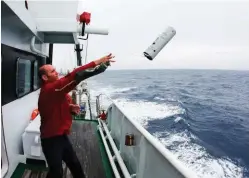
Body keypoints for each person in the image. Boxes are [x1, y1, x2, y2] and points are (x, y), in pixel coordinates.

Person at [38, 53, 115, 178]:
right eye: (52, 72)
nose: (56, 73)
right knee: (56, 172)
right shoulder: (50, 89)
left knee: (75, 164)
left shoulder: (56, 92)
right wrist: (98, 62)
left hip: (61, 136)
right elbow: (75, 75)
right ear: (45, 78)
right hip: (50, 139)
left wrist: (70, 108)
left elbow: (56, 105)